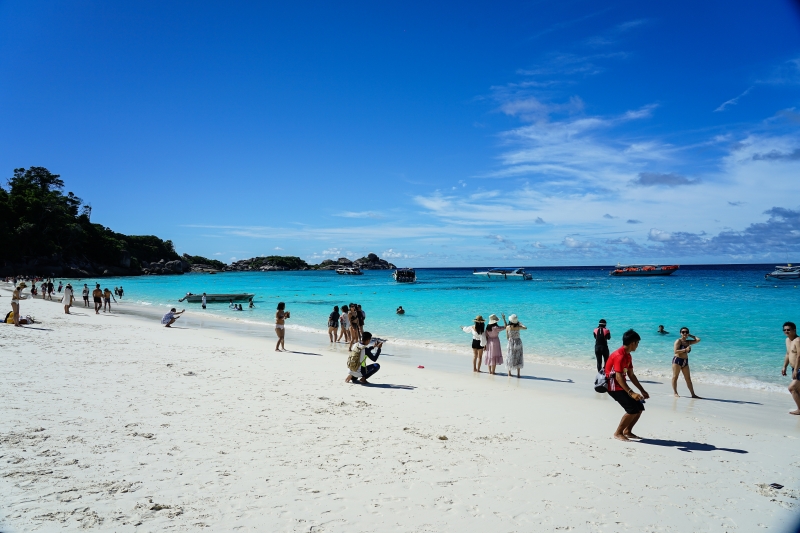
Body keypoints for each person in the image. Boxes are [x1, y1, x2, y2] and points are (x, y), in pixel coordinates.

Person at [606, 329, 650, 441]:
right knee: (632, 409)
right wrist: (631, 392)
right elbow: (618, 377)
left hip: (620, 385)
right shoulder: (619, 356)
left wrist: (642, 390)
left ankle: (627, 431)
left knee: (639, 408)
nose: (637, 346)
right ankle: (618, 433)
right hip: (613, 387)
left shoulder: (628, 355)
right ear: (633, 343)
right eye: (638, 343)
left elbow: (631, 375)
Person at [672, 327, 701, 398]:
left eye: (686, 332)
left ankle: (693, 394)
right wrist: (685, 350)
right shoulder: (678, 341)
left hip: (685, 361)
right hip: (677, 360)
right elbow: (675, 351)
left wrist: (689, 335)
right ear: (680, 333)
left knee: (688, 378)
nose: (684, 333)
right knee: (675, 377)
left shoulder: (688, 342)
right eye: (683, 332)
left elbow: (698, 340)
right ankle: (675, 393)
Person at [781, 322, 800, 415]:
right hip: (794, 368)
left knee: (792, 388)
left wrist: (796, 370)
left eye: (788, 329)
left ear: (794, 330)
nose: (786, 331)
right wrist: (784, 366)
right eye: (784, 330)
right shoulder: (787, 340)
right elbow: (788, 354)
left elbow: (799, 356)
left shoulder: (798, 341)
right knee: (798, 389)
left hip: (799, 368)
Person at [503, 313, 527, 378]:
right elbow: (525, 328)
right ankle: (518, 374)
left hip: (511, 342)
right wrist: (520, 323)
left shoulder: (508, 327)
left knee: (510, 356)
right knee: (518, 357)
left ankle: (509, 373)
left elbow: (507, 337)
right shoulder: (518, 327)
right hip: (518, 342)